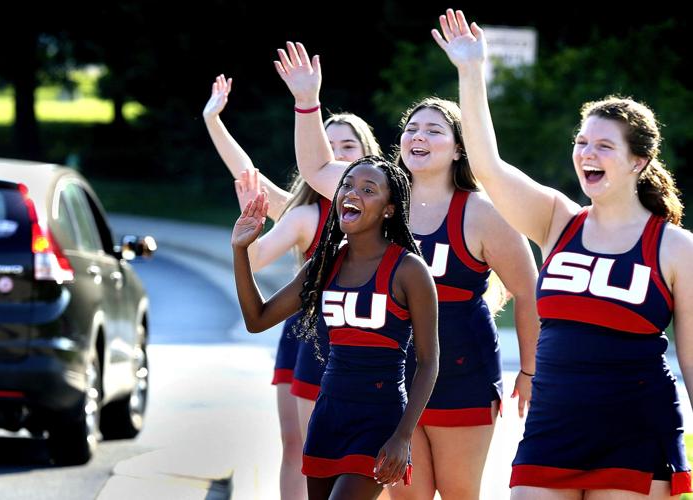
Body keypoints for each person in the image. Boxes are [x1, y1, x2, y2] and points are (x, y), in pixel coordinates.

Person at [433, 8, 693, 498]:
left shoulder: (677, 248)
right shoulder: (556, 219)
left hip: (635, 431)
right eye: (581, 142)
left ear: (639, 161)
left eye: (603, 146)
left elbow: (692, 358)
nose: (586, 154)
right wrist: (471, 71)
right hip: (552, 431)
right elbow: (487, 167)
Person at [275, 42, 541, 499]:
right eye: (412, 128)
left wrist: (531, 371)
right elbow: (317, 167)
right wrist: (306, 102)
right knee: (406, 495)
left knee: (458, 492)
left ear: (459, 148)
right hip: (393, 381)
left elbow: (528, 290)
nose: (419, 136)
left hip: (462, 373)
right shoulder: (383, 196)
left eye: (434, 130)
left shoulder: (482, 212)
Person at [203, 73, 381, 499]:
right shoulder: (300, 210)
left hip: (367, 341)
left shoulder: (389, 215)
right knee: (299, 449)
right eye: (328, 145)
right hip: (306, 337)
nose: (335, 155)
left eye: (347, 148)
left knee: (367, 457)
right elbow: (248, 176)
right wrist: (213, 119)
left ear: (367, 156)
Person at [233, 155, 439, 500]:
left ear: (389, 209)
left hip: (379, 418)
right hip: (328, 415)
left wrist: (403, 436)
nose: (351, 193)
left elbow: (429, 361)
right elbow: (258, 319)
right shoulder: (324, 264)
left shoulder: (409, 270)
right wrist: (241, 250)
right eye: (346, 185)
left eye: (367, 189)